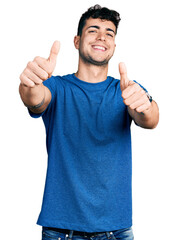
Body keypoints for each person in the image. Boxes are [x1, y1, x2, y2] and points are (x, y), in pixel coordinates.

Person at [19, 4, 159, 240]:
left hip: (116, 230)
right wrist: (29, 84)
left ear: (113, 45)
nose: (102, 37)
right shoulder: (56, 87)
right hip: (61, 231)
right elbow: (35, 99)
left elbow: (150, 118)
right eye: (93, 30)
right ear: (77, 41)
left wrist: (145, 106)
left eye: (109, 33)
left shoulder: (125, 90)